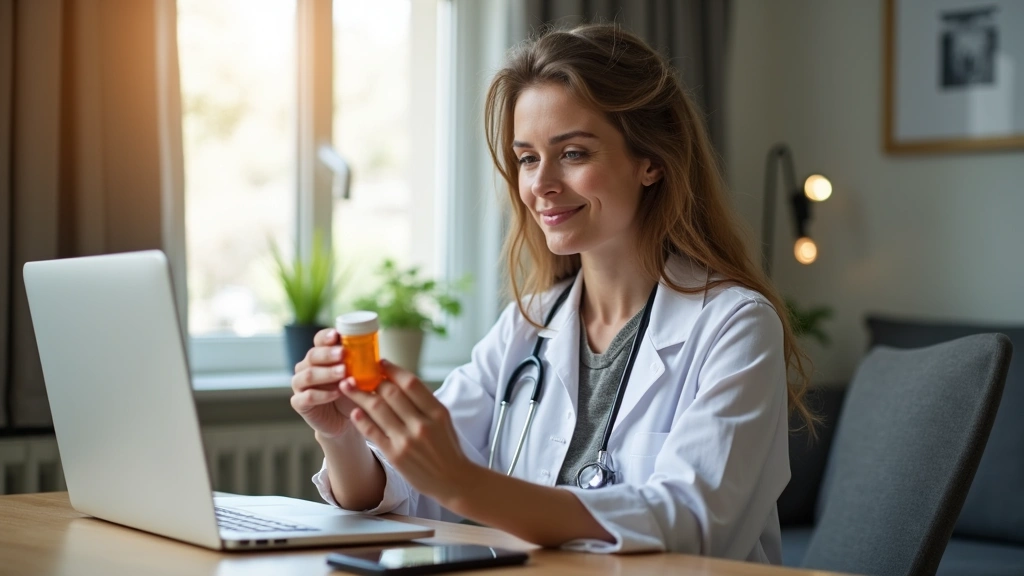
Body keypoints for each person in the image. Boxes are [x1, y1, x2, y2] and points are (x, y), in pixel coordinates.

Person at [289, 24, 814, 564]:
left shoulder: (734, 325)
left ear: (651, 161)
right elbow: (404, 489)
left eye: (574, 153)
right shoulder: (531, 323)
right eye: (527, 158)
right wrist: (342, 435)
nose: (540, 185)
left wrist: (465, 485)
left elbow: (690, 524)